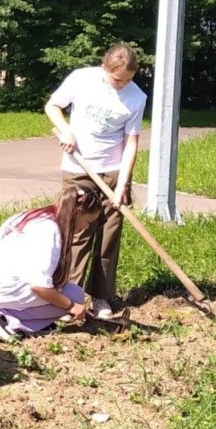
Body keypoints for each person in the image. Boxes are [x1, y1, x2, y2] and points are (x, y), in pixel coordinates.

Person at [44, 43, 147, 320]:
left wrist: (122, 186)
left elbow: (131, 143)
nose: (122, 85)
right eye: (117, 79)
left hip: (113, 171)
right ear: (105, 67)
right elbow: (52, 106)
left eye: (128, 79)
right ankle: (69, 296)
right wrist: (66, 131)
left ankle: (101, 295)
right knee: (77, 233)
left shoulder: (136, 97)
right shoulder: (82, 78)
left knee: (109, 235)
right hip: (79, 167)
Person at [0, 187, 102, 340]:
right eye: (88, 221)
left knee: (67, 293)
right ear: (78, 212)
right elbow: (39, 287)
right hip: (3, 291)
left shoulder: (36, 215)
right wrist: (72, 306)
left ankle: (20, 317)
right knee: (75, 296)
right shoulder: (50, 231)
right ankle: (8, 320)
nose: (86, 227)